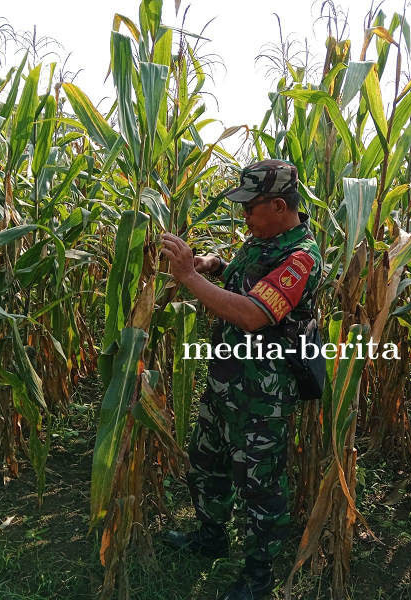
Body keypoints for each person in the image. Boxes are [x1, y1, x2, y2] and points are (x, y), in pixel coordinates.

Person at [159, 159, 322, 600]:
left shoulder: (300, 259)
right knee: (205, 462)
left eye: (250, 208)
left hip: (263, 394)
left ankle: (257, 576)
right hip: (227, 383)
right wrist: (210, 264)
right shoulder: (262, 240)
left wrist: (189, 276)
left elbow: (252, 314)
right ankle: (210, 538)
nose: (243, 216)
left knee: (260, 486)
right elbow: (242, 271)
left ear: (278, 205)